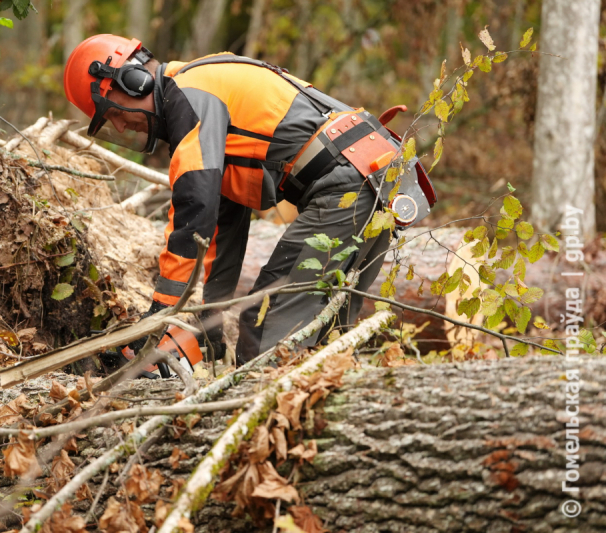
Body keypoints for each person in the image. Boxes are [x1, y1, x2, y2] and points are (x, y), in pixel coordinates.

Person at [63, 35, 435, 365]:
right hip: (374, 175)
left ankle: (259, 435)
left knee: (265, 330)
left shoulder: (189, 95)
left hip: (349, 181)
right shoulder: (207, 99)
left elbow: (193, 207)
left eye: (114, 114)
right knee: (325, 337)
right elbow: (219, 230)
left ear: (132, 79)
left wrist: (161, 310)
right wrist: (208, 328)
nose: (123, 127)